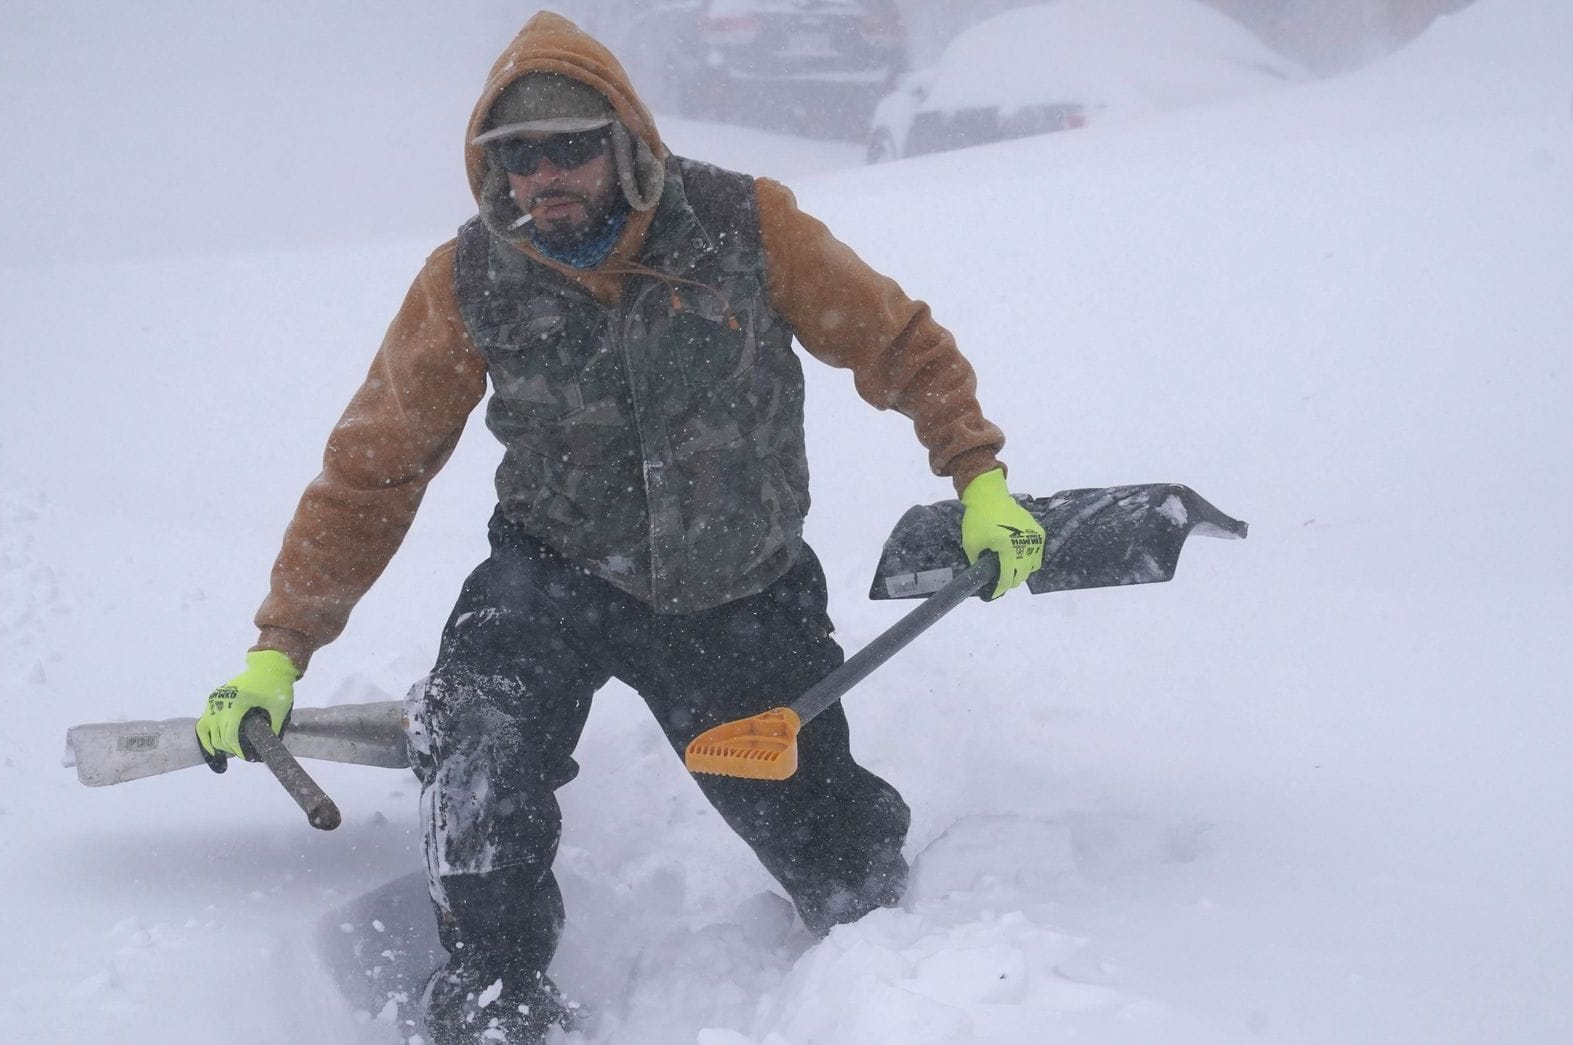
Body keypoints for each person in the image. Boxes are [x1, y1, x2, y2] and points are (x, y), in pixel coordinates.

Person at [190, 12, 1045, 1044]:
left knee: (835, 857)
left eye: (569, 147)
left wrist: (978, 477)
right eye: (516, 158)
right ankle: (496, 989)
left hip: (738, 586)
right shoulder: (468, 278)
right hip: (554, 573)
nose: (542, 176)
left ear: (626, 142)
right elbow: (373, 470)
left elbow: (900, 345)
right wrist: (279, 648)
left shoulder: (746, 226)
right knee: (482, 732)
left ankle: (877, 952)